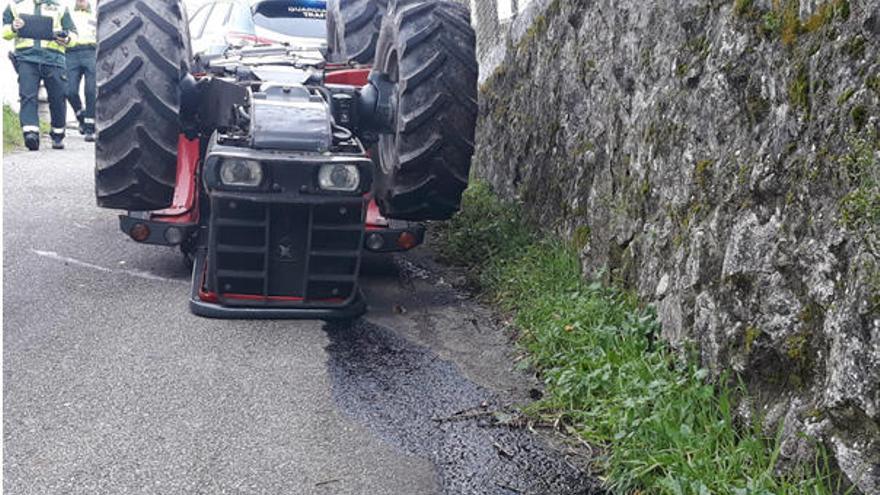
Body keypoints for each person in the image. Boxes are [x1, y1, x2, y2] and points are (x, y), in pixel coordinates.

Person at [2, 0, 77, 150]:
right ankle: (31, 134)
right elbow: (4, 32)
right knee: (27, 95)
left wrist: (67, 38)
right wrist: (13, 27)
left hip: (54, 59)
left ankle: (58, 134)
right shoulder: (15, 4)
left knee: (58, 97)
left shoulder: (61, 6)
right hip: (26, 58)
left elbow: (73, 35)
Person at [66, 0, 94, 141]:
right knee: (69, 91)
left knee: (91, 91)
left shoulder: (98, 13)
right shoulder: (68, 13)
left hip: (91, 52)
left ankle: (90, 128)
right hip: (71, 53)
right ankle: (81, 115)